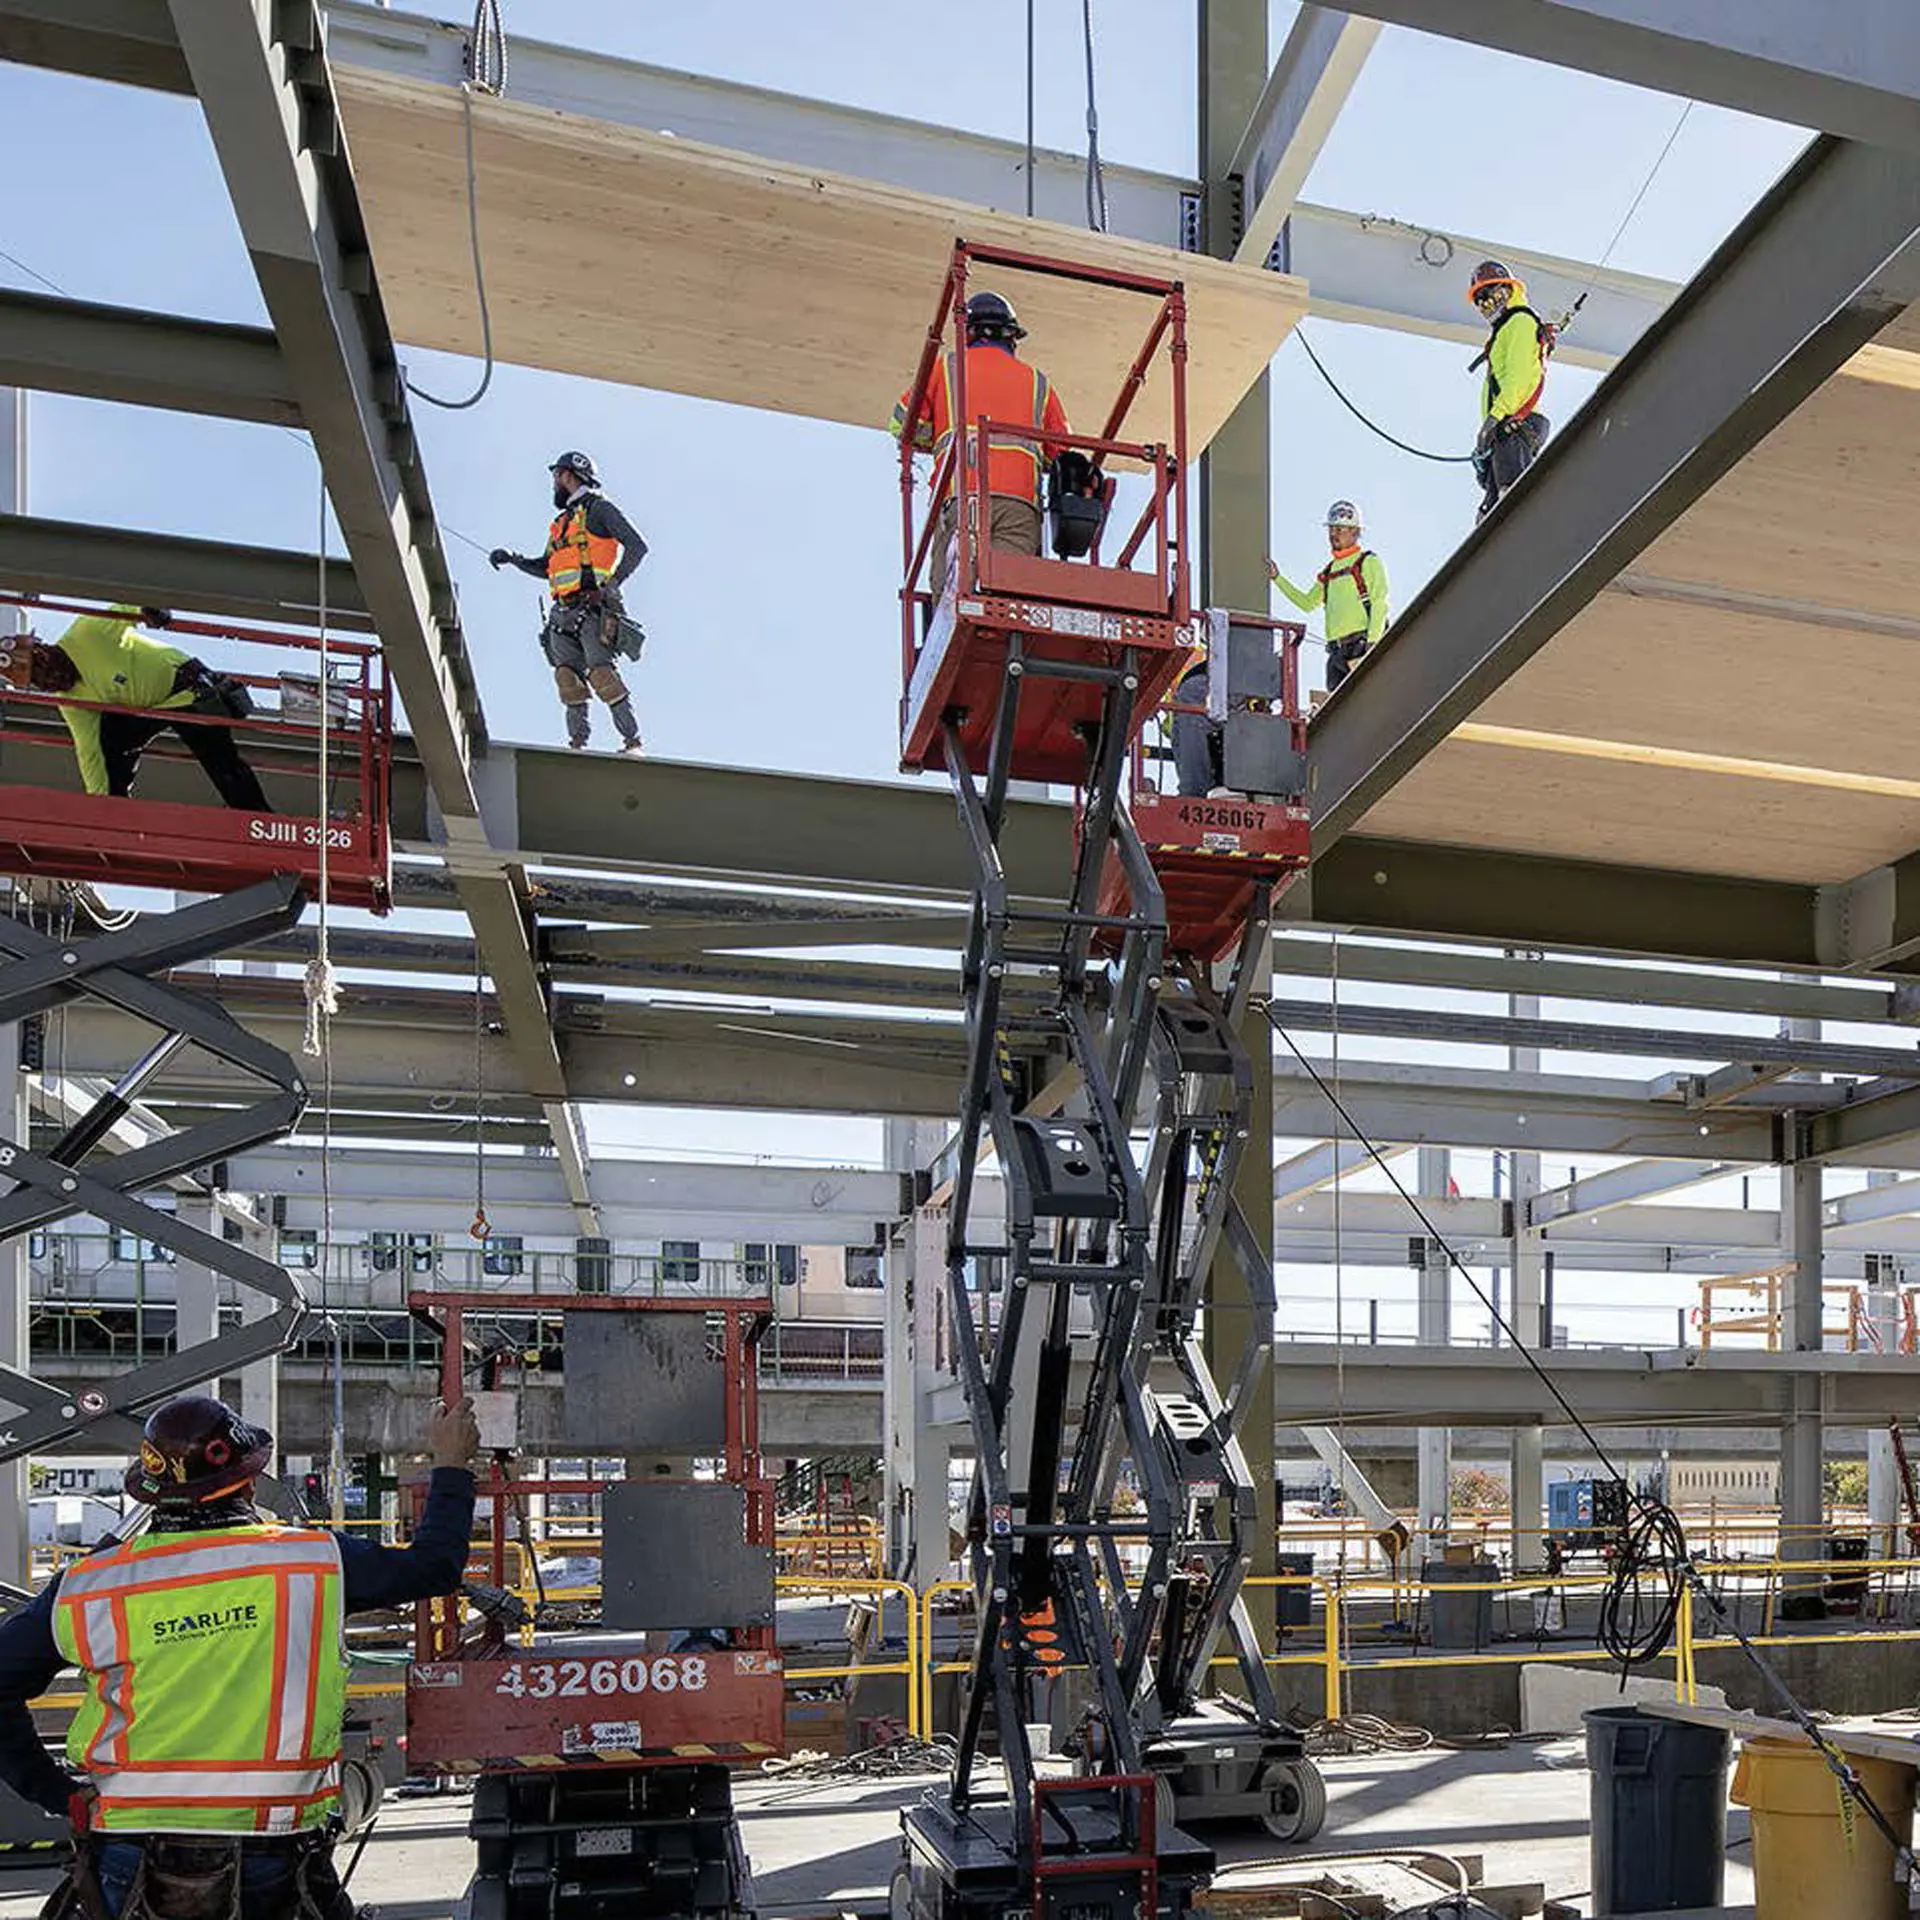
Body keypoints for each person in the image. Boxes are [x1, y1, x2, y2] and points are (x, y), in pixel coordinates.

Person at [0, 1393, 480, 1919]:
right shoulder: (311, 1562)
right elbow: (435, 1566)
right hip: (272, 1850)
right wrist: (450, 1465)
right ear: (247, 1480)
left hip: (130, 1851)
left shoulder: (88, 1585)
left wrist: (57, 1793)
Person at [891, 290, 1070, 599]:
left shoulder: (945, 369)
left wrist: (932, 436)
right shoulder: (1037, 382)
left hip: (963, 500)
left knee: (952, 602)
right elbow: (1061, 452)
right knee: (1009, 602)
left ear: (968, 333)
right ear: (1012, 337)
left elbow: (902, 424)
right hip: (1019, 507)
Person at [0, 607, 269, 811]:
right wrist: (100, 805)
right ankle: (119, 810)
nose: (46, 678)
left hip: (187, 690)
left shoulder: (86, 634)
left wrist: (147, 609)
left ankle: (257, 818)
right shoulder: (70, 698)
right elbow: (89, 752)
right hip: (154, 708)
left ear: (43, 649)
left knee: (217, 756)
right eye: (36, 680)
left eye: (40, 667)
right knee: (109, 736)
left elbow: (121, 609)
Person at [490, 451, 648, 755]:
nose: (554, 484)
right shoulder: (562, 523)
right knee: (568, 681)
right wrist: (514, 559)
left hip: (591, 610)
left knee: (603, 675)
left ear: (567, 475)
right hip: (562, 614)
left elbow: (637, 546)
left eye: (556, 477)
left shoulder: (599, 509)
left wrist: (610, 587)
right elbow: (548, 566)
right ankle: (577, 745)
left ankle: (632, 741)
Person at [1267, 500, 1390, 693]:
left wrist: (1371, 647)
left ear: (1355, 532)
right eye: (1332, 529)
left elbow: (1379, 604)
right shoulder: (1329, 571)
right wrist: (1277, 578)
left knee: (1367, 697)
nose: (1334, 535)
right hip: (1336, 653)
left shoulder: (1368, 562)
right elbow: (1307, 603)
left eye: (1340, 529)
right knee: (1338, 709)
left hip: (1360, 645)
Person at [1467, 258, 1552, 518]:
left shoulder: (1520, 323)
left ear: (1504, 289)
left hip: (1515, 425)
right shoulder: (1504, 330)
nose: (1484, 304)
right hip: (1505, 429)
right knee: (1490, 514)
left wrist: (1494, 419)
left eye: (1487, 295)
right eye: (1479, 299)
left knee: (1512, 505)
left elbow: (1519, 378)